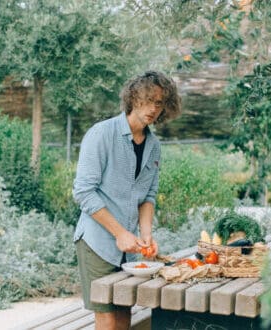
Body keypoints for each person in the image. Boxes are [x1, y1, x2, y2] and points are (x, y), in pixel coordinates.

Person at [72, 70, 181, 329]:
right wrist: (120, 233)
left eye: (160, 103)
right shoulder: (102, 134)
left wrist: (145, 236)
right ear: (134, 97)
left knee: (124, 319)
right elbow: (83, 192)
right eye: (149, 99)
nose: (154, 108)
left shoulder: (154, 145)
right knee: (108, 321)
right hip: (97, 243)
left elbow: (148, 197)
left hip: (130, 250)